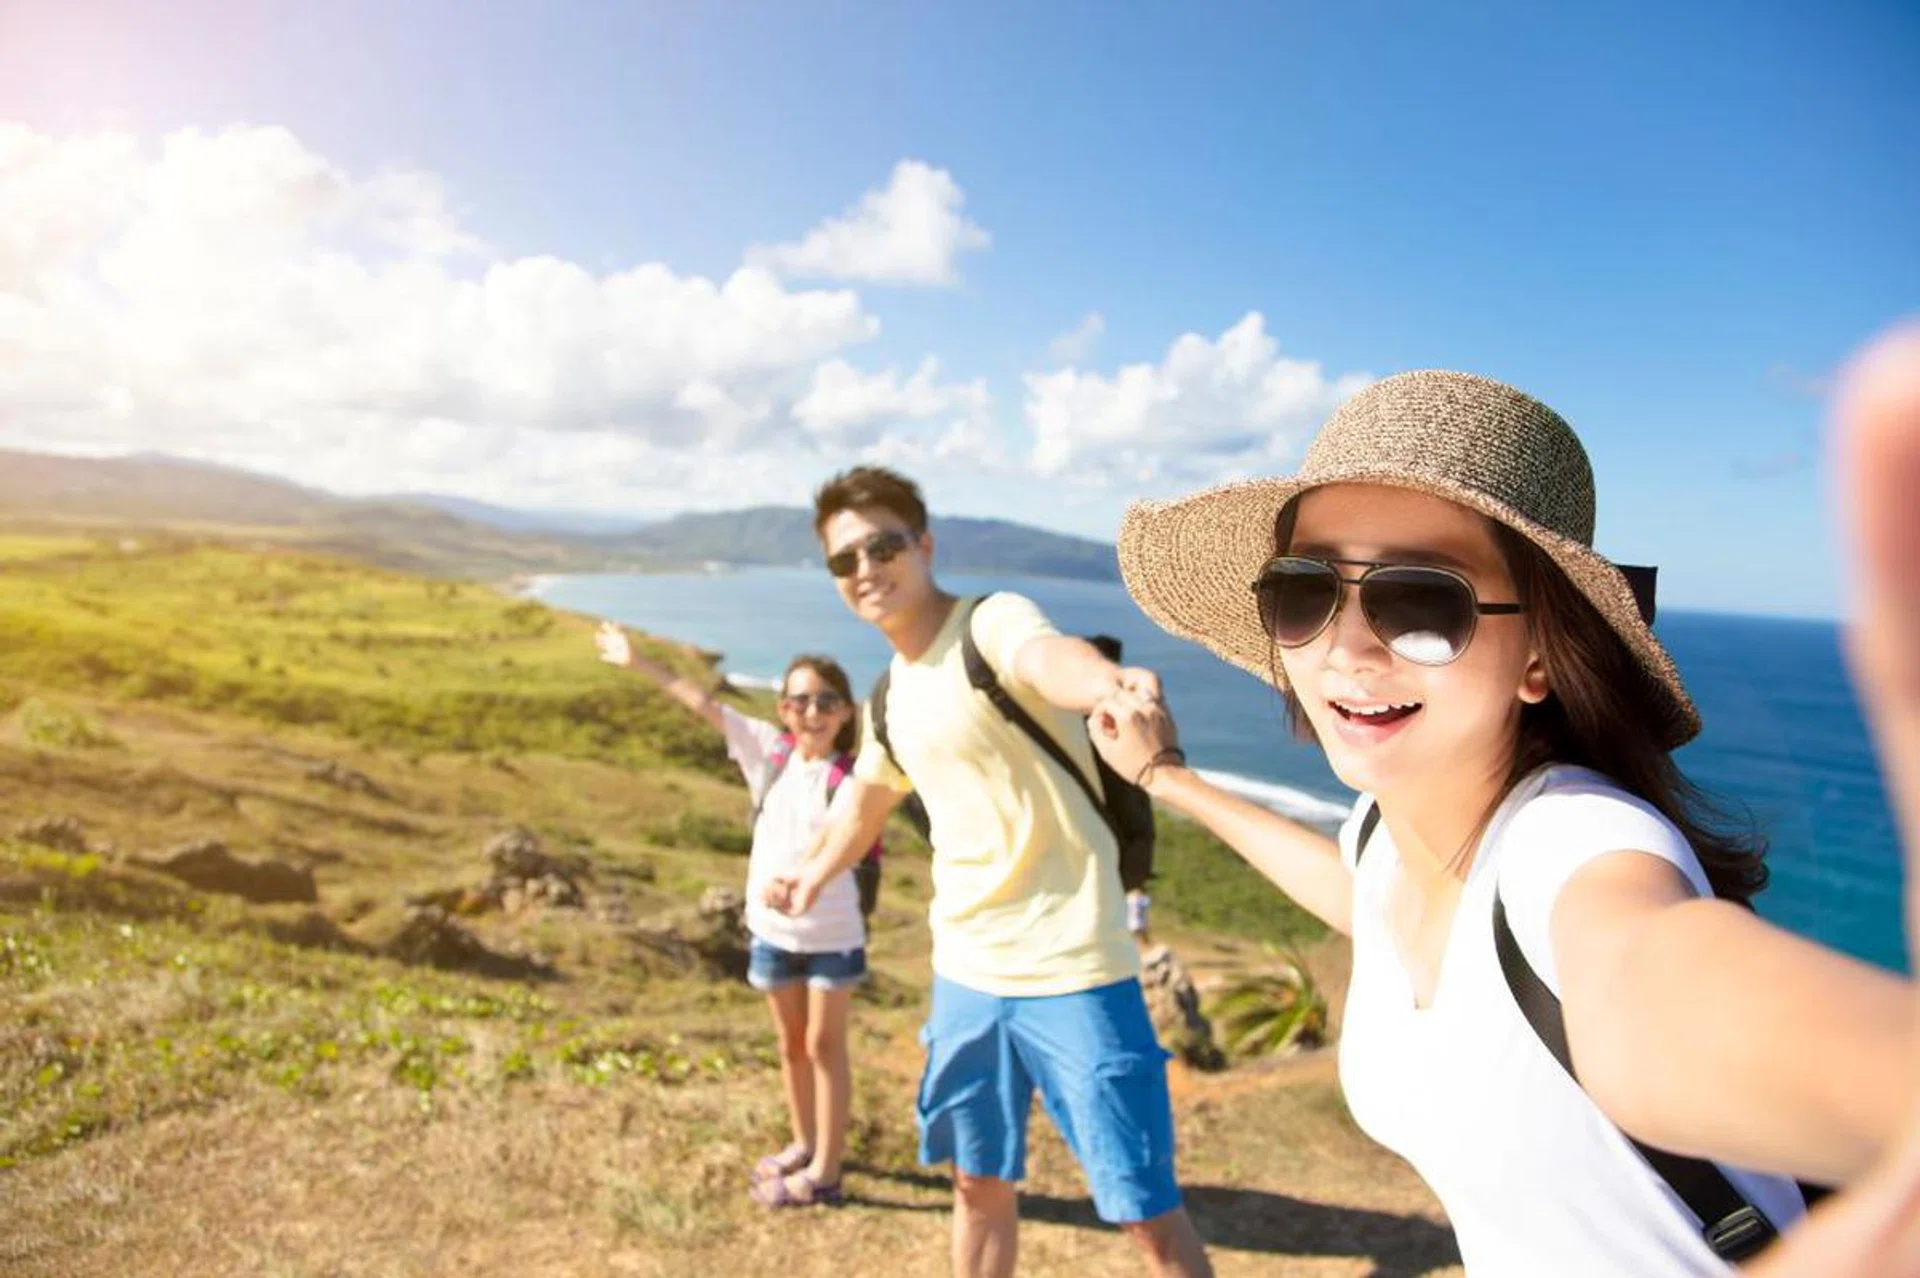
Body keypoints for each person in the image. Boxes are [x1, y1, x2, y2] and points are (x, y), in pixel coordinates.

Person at [1086, 341, 1919, 1277]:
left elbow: (1648, 978)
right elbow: (1361, 895)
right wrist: (1167, 777)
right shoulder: (1392, 832)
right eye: (1304, 590)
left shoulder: (1575, 854)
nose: (1347, 647)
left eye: (1420, 600)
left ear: (1540, 657)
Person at [764, 466, 1214, 1278]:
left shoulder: (990, 624)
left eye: (883, 545)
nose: (865, 568)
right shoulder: (890, 698)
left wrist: (1109, 685)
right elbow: (862, 808)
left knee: (1145, 1211)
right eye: (844, 559)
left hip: (1076, 965)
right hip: (967, 973)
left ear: (924, 545)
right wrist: (808, 877)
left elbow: (1049, 660)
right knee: (977, 1184)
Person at [595, 623, 867, 1208]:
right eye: (800, 700)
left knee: (824, 1044)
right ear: (783, 709)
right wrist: (637, 661)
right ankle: (804, 1140)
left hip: (833, 931)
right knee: (791, 1044)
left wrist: (798, 881)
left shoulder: (855, 776)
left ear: (846, 711)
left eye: (826, 701)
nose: (812, 711)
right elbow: (699, 702)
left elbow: (844, 838)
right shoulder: (767, 751)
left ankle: (827, 1169)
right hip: (772, 930)